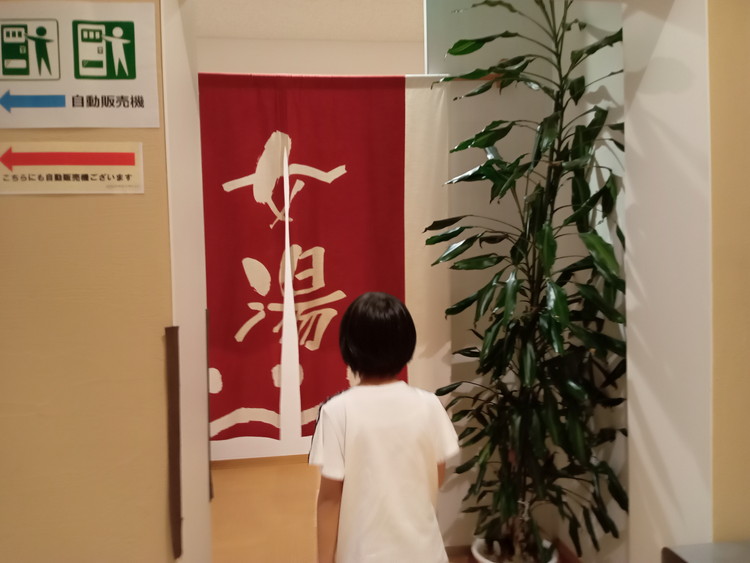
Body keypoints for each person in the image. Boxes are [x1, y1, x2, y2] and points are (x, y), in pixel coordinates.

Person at [309, 292, 459, 563]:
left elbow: (330, 499)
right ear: (407, 344)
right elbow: (436, 475)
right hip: (425, 553)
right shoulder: (429, 405)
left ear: (349, 346)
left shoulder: (337, 411)